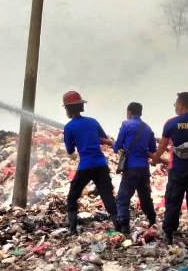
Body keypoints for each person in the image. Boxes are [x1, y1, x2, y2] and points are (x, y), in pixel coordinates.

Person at [152, 92, 188, 245]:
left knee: (173, 201)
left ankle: (169, 233)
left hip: (177, 170)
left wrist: (155, 159)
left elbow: (163, 146)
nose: (175, 106)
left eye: (176, 104)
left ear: (181, 104)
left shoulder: (171, 123)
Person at [62, 91, 117, 235]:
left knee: (73, 196)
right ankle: (119, 225)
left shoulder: (69, 127)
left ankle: (72, 229)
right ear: (81, 106)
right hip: (101, 164)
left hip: (86, 166)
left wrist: (76, 140)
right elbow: (103, 139)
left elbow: (69, 150)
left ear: (67, 109)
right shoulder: (93, 121)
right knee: (107, 195)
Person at [113, 102, 157, 234]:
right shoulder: (147, 128)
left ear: (129, 112)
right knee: (145, 197)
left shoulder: (126, 124)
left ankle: (124, 226)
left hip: (131, 168)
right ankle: (153, 220)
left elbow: (117, 146)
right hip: (144, 169)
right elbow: (153, 149)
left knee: (123, 197)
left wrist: (115, 144)